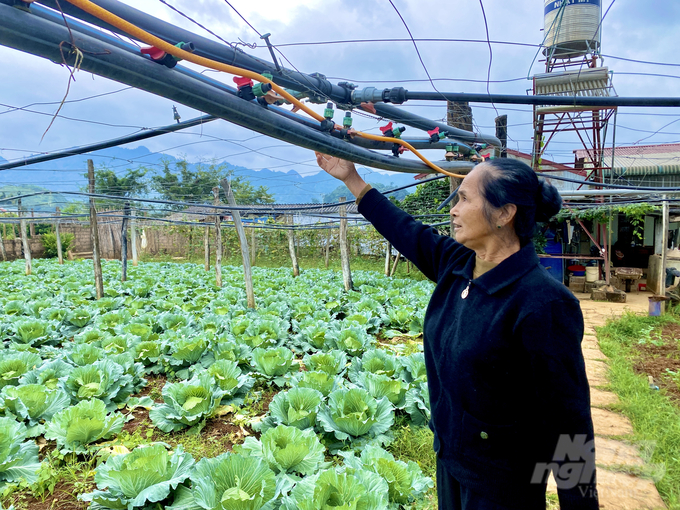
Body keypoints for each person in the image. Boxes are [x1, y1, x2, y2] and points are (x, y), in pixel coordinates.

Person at [316, 153, 598, 510]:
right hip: (451, 462)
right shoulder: (459, 265)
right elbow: (405, 229)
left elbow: (569, 423)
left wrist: (581, 506)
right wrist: (352, 179)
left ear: (503, 213)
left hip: (504, 485)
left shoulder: (542, 303)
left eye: (464, 198)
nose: (453, 209)